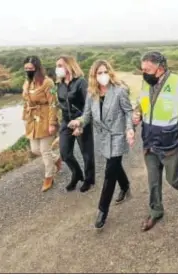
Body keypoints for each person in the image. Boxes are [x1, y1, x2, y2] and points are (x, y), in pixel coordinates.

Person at [132, 51, 178, 232]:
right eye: (142, 69)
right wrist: (138, 113)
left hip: (172, 145)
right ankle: (156, 211)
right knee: (153, 181)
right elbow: (143, 103)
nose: (143, 73)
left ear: (160, 69)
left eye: (147, 69)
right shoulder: (146, 82)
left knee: (174, 179)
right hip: (150, 143)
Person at [68, 60, 135, 229]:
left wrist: (129, 129)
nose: (103, 75)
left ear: (110, 73)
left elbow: (128, 112)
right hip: (104, 137)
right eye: (99, 73)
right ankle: (126, 186)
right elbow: (87, 115)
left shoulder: (119, 91)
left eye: (105, 72)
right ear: (94, 76)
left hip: (118, 135)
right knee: (114, 164)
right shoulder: (92, 94)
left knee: (109, 171)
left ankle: (102, 210)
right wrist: (78, 122)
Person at [56, 55, 95, 192]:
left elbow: (88, 105)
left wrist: (81, 124)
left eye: (60, 65)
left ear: (69, 66)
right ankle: (77, 173)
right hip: (66, 121)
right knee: (65, 153)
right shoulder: (59, 84)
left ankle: (89, 179)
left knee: (87, 153)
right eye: (57, 66)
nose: (58, 69)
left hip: (80, 119)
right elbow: (61, 104)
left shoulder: (81, 82)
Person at [22, 55, 61, 192]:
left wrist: (52, 123)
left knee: (45, 150)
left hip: (46, 118)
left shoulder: (48, 83)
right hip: (33, 120)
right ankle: (56, 159)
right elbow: (26, 101)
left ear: (37, 68)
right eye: (26, 68)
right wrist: (25, 117)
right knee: (35, 149)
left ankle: (49, 177)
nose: (28, 70)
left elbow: (53, 103)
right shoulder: (27, 83)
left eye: (31, 68)